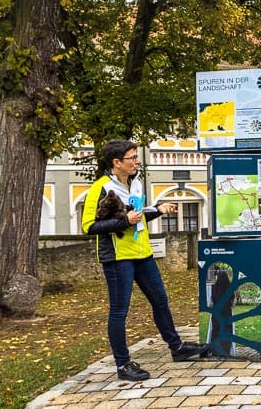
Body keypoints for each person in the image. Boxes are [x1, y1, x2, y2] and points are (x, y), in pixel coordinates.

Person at [83, 139, 207, 382]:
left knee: (160, 300)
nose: (137, 162)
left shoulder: (136, 183)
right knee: (119, 311)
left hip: (143, 253)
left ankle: (177, 348)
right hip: (118, 258)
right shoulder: (101, 187)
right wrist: (124, 221)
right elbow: (89, 226)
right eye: (132, 158)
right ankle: (123, 365)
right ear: (117, 162)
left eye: (136, 157)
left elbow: (136, 216)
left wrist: (157, 209)